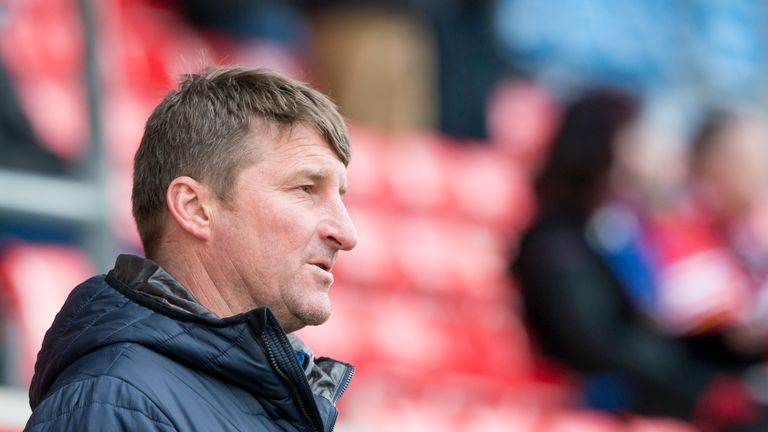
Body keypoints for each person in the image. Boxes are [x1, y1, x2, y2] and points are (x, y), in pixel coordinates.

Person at [25, 66, 358, 431]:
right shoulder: (117, 405)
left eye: (340, 197)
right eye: (306, 189)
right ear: (194, 208)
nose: (346, 233)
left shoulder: (259, 394)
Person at [512, 89, 768, 431]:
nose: (650, 149)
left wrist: (725, 347)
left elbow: (647, 333)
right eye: (636, 137)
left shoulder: (609, 228)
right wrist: (703, 388)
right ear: (606, 146)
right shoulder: (558, 242)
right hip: (607, 392)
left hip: (652, 380)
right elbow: (598, 343)